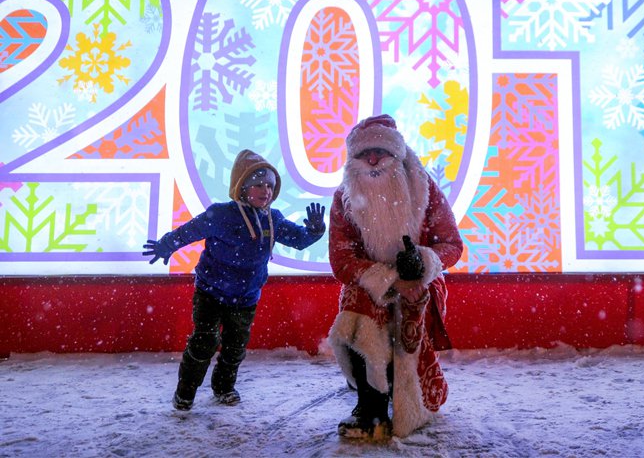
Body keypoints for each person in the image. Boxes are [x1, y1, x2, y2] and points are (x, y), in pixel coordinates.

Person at [143, 149, 326, 411]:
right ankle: (185, 392)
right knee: (204, 342)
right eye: (258, 185)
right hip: (210, 292)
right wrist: (166, 245)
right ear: (242, 187)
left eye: (269, 186)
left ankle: (224, 387)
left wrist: (315, 231)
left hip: (246, 297)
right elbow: (188, 232)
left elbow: (298, 240)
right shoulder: (221, 214)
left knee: (235, 347)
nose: (265, 191)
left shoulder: (272, 219)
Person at [327, 114, 463, 440]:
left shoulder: (424, 189)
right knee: (359, 308)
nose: (373, 160)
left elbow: (452, 245)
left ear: (397, 154)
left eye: (380, 152)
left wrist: (423, 264)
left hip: (419, 282)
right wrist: (388, 281)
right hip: (369, 284)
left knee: (408, 311)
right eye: (364, 153)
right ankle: (370, 405)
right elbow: (342, 261)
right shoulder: (344, 198)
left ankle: (402, 395)